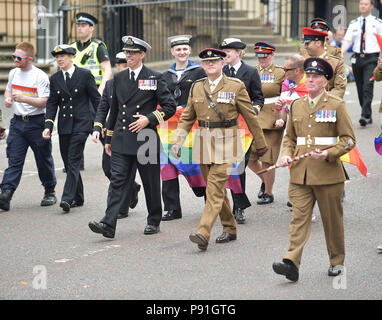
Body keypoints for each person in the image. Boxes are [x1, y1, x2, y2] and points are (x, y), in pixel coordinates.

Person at [170, 48, 268, 251]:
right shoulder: (197, 87)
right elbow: (187, 117)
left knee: (214, 190)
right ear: (202, 66)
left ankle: (203, 232)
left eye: (214, 61)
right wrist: (178, 142)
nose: (210, 65)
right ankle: (230, 227)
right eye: (206, 63)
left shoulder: (236, 86)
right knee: (215, 190)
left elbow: (251, 117)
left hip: (227, 142)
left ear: (222, 64)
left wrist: (261, 144)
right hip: (203, 142)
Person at [272, 57, 356, 282]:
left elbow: (348, 140)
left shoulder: (336, 104)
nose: (310, 80)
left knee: (332, 221)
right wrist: (286, 154)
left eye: (315, 76)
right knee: (299, 219)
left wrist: (329, 153)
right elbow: (290, 138)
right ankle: (291, 262)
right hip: (300, 173)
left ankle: (337, 261)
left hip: (328, 174)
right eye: (308, 76)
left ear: (325, 81)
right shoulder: (296, 105)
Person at [88, 36, 176, 238]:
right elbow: (115, 111)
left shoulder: (155, 77)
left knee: (150, 183)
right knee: (117, 181)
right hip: (121, 138)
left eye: (133, 53)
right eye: (126, 53)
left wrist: (149, 119)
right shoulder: (118, 79)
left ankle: (154, 220)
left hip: (146, 139)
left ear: (142, 55)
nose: (128, 56)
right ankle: (108, 223)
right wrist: (108, 139)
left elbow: (170, 106)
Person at [42, 44, 100, 213]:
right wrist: (48, 125)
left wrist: (100, 123)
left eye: (63, 56)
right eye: (57, 56)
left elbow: (96, 100)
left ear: (71, 57)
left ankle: (68, 198)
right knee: (69, 163)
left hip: (82, 123)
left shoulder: (84, 75)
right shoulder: (55, 79)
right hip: (65, 126)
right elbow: (52, 103)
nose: (59, 59)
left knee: (73, 160)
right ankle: (79, 197)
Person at [0, 42, 57, 211]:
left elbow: (44, 101)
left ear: (29, 59)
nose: (15, 60)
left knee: (43, 158)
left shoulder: (39, 76)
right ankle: (6, 194)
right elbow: (8, 90)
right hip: (17, 123)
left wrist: (24, 98)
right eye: (14, 57)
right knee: (14, 159)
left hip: (37, 123)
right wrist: (8, 99)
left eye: (19, 57)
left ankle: (49, 191)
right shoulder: (13, 73)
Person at [160, 35, 206, 221]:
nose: (182, 52)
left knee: (197, 164)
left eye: (185, 49)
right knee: (167, 166)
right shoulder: (164, 76)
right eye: (178, 49)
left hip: (192, 126)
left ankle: (209, 201)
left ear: (189, 51)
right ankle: (172, 208)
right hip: (168, 129)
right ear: (172, 52)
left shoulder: (200, 72)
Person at [219, 37, 264, 223]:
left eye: (229, 51)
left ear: (238, 52)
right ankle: (220, 206)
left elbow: (258, 98)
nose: (226, 54)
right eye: (224, 51)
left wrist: (252, 111)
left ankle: (239, 208)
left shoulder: (250, 72)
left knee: (237, 169)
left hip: (243, 129)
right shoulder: (219, 71)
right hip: (221, 129)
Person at [92, 52, 141, 219]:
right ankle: (133, 188)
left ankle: (121, 208)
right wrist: (98, 127)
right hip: (114, 133)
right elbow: (103, 108)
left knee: (126, 173)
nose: (124, 65)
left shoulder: (139, 82)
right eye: (120, 63)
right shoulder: (111, 84)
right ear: (117, 66)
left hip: (134, 133)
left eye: (126, 62)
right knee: (108, 169)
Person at [70, 12, 113, 171]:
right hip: (76, 95)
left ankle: (113, 155)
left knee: (100, 126)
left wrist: (101, 91)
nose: (79, 28)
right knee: (75, 127)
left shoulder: (98, 46)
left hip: (93, 93)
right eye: (78, 25)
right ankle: (76, 163)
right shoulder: (72, 48)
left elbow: (107, 70)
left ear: (91, 28)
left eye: (83, 26)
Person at [246, 42, 285, 205]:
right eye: (259, 56)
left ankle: (268, 192)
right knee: (249, 158)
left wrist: (280, 116)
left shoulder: (280, 72)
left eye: (266, 56)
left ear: (272, 55)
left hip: (273, 117)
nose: (262, 59)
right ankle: (266, 180)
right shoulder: (251, 71)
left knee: (268, 158)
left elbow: (285, 97)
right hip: (254, 117)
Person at [342, 0, 382, 126]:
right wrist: (340, 53)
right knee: (360, 87)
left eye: (365, 4)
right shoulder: (354, 23)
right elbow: (347, 41)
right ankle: (367, 112)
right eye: (361, 4)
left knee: (367, 86)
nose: (363, 6)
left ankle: (365, 115)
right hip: (357, 58)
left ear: (371, 6)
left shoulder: (378, 23)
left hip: (372, 58)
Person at [302, 27, 347, 99]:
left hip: (327, 104)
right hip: (305, 102)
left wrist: (325, 100)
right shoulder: (303, 61)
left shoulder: (336, 63)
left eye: (307, 43)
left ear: (318, 43)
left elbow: (339, 88)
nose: (305, 47)